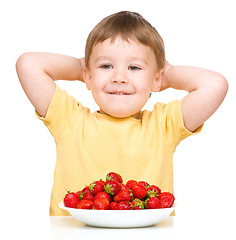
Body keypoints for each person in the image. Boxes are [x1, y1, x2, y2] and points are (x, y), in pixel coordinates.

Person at [16, 11, 228, 216]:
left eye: (134, 68)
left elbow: (215, 85)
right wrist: (82, 67)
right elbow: (28, 64)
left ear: (157, 80)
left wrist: (168, 75)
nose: (119, 77)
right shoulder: (70, 119)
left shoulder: (163, 124)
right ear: (87, 77)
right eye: (106, 65)